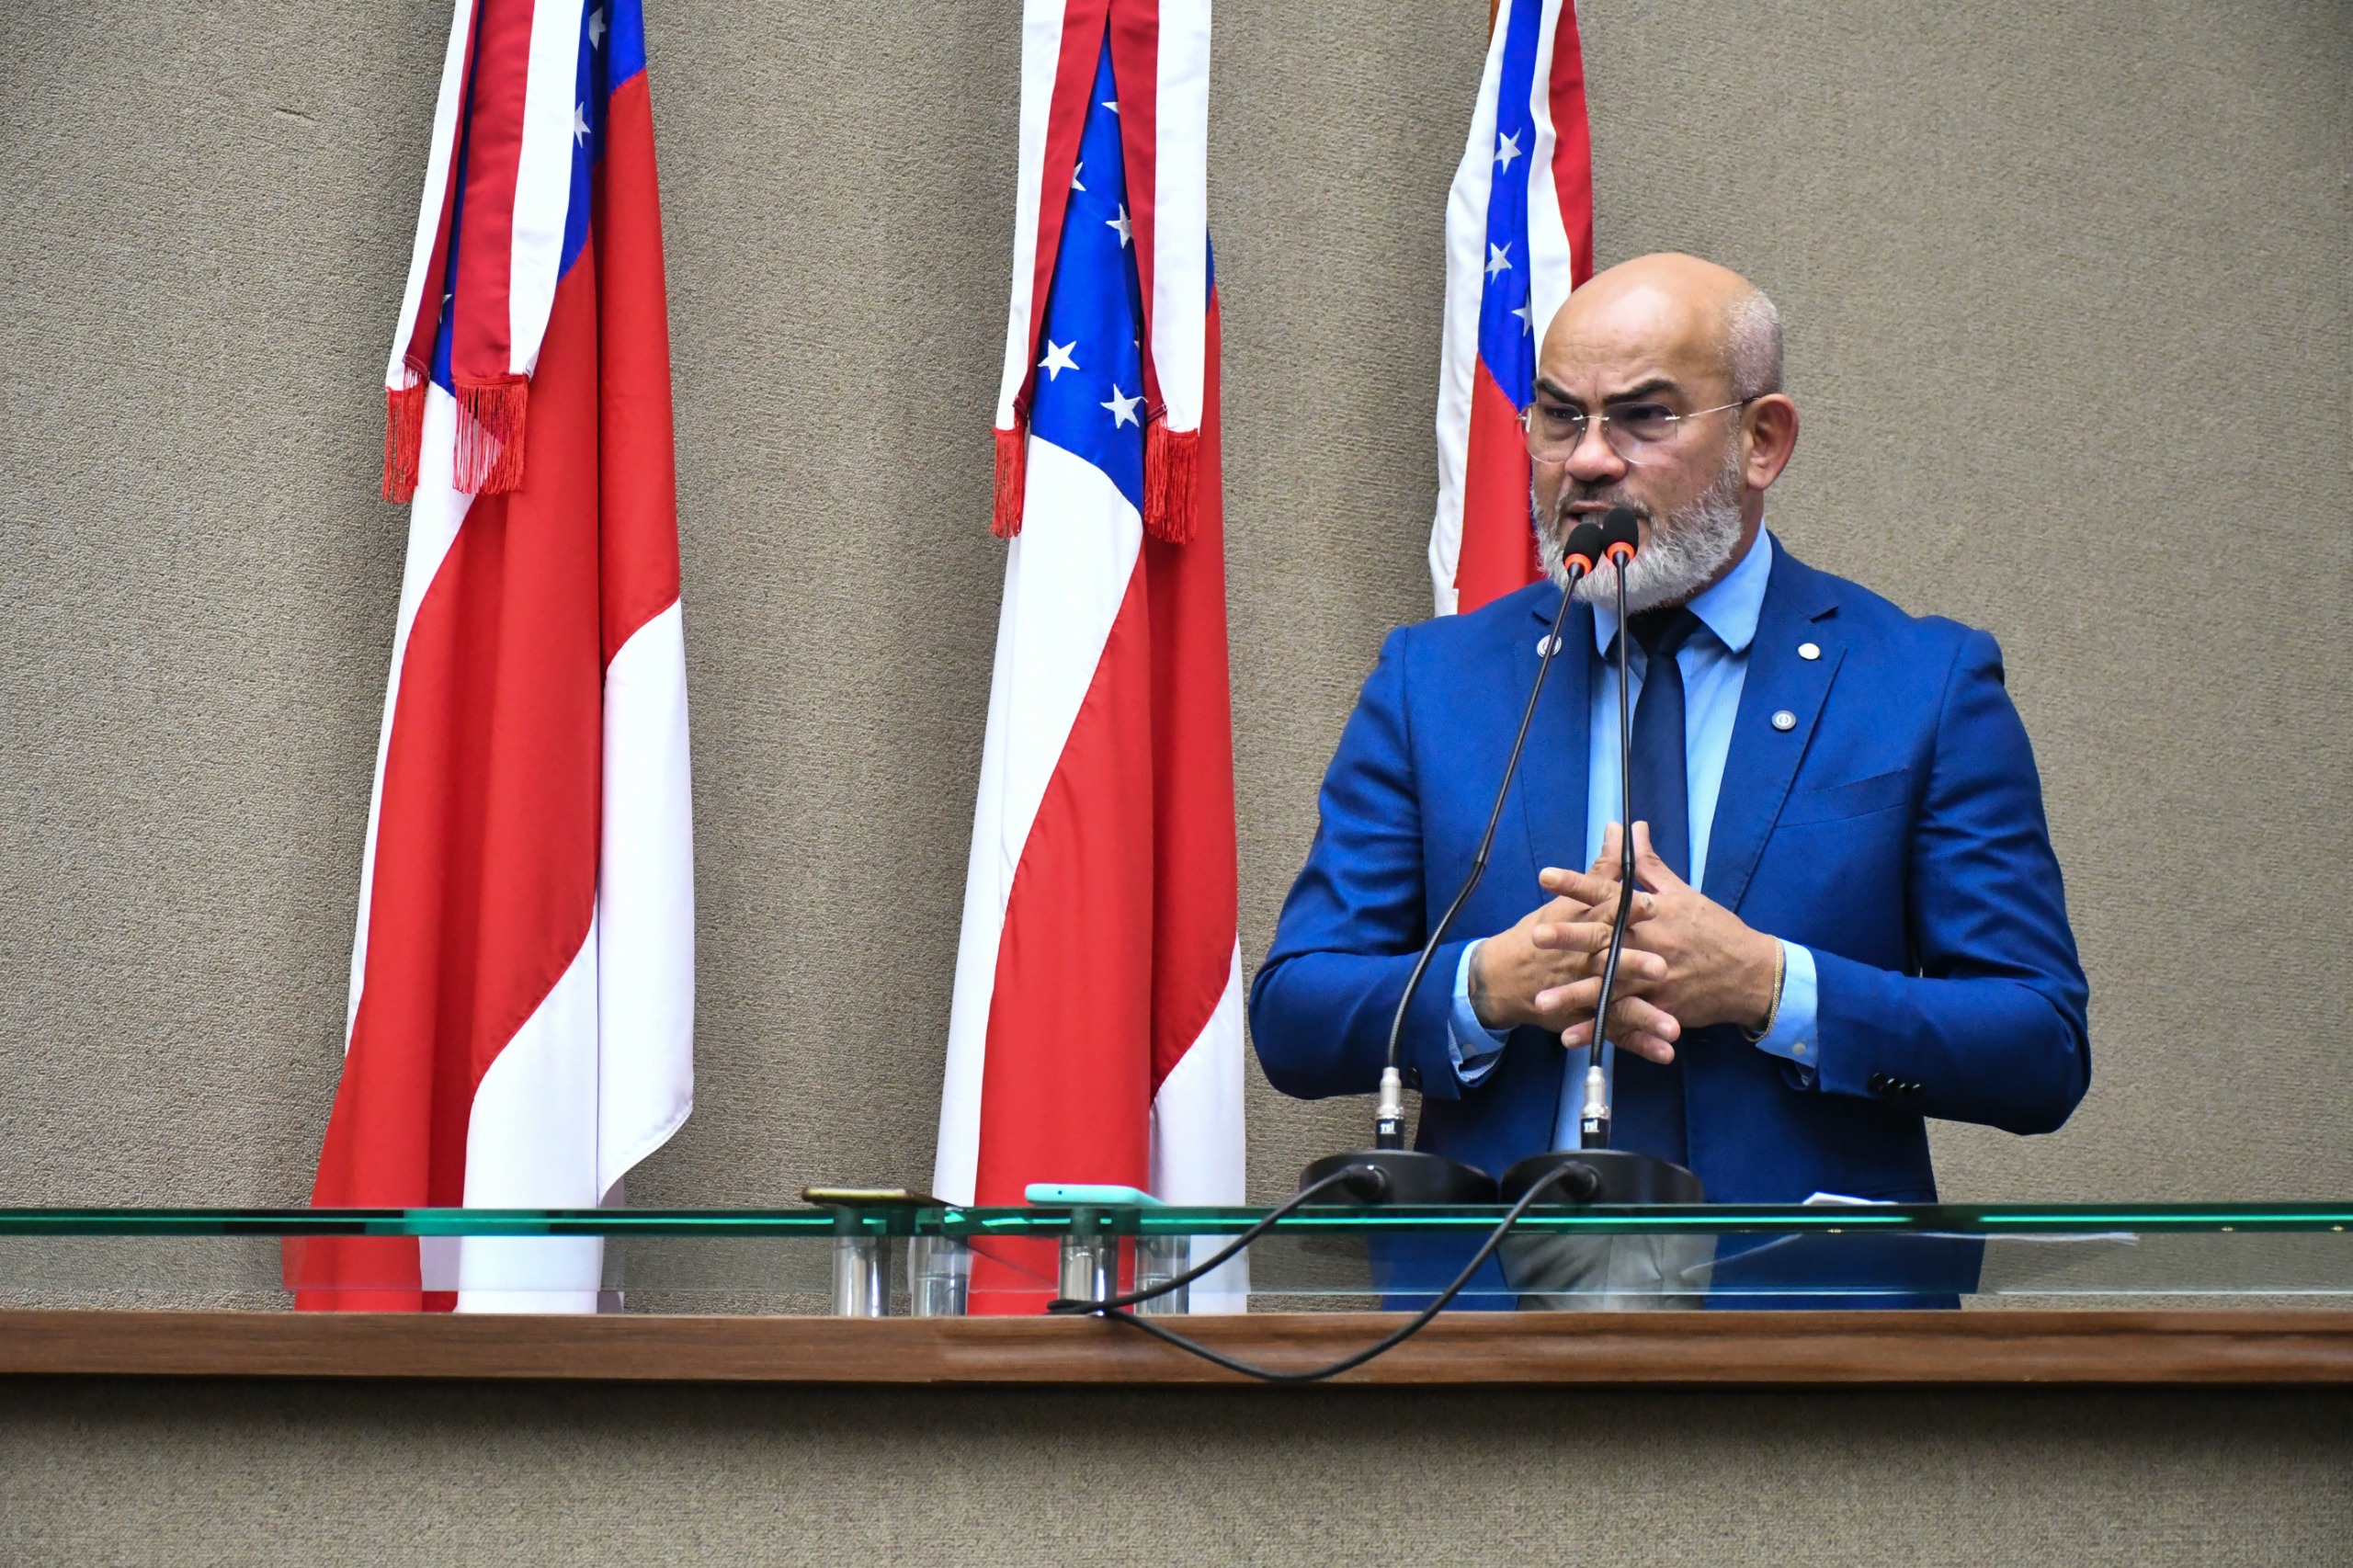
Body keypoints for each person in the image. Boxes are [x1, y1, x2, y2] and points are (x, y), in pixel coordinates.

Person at [1248, 255, 2090, 1251]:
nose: (1588, 461)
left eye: (1642, 418)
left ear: (1761, 439)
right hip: (1483, 1336)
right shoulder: (1434, 681)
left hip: (1813, 1339)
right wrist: (1487, 984)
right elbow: (1296, 1014)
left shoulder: (1920, 682)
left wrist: (1773, 985)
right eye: (1559, 417)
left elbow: (2039, 1048)